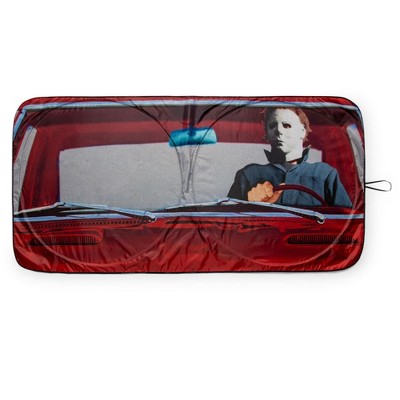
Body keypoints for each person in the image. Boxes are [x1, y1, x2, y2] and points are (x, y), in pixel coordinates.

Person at [228, 107, 352, 207]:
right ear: (267, 133)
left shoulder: (325, 174)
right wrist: (248, 203)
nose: (278, 131)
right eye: (272, 125)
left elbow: (345, 220)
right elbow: (227, 221)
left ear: (303, 131)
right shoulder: (248, 175)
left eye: (286, 125)